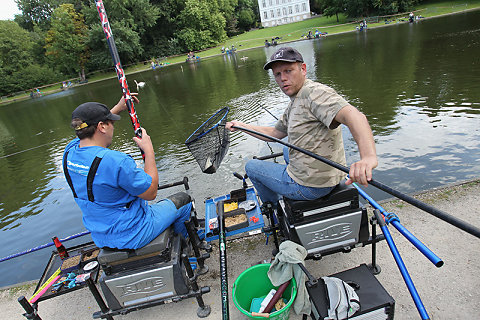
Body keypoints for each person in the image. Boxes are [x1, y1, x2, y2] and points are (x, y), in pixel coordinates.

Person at [226, 47, 377, 205]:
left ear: (303, 69)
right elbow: (275, 133)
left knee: (252, 167)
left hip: (311, 186)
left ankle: (273, 209)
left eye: (288, 71)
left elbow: (354, 116)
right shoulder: (297, 98)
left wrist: (367, 157)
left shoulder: (314, 93)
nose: (283, 78)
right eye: (278, 74)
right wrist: (242, 126)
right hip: (328, 176)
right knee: (286, 149)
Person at [63, 96, 192, 249]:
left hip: (101, 236)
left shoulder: (69, 152)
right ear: (101, 127)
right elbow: (151, 193)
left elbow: (90, 129)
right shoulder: (116, 161)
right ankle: (186, 250)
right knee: (184, 201)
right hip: (134, 233)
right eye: (110, 122)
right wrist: (149, 150)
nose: (113, 126)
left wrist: (118, 108)